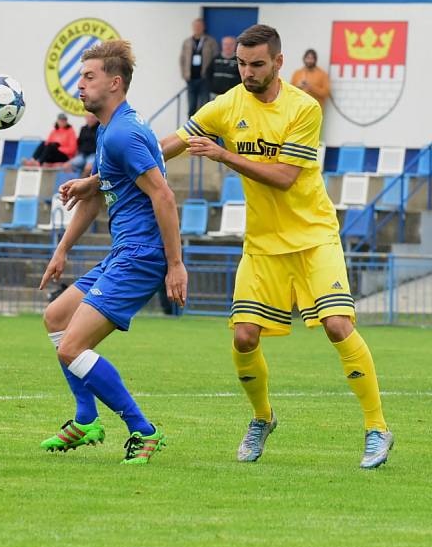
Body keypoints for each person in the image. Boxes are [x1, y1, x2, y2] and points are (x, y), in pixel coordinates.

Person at [164, 24, 393, 470]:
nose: (247, 73)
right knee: (244, 337)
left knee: (337, 326)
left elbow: (285, 179)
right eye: (242, 65)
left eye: (257, 64)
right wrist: (109, 172)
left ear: (278, 63)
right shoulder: (228, 104)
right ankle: (262, 418)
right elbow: (172, 143)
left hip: (313, 236)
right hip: (263, 245)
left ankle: (377, 427)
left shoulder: (304, 108)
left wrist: (224, 154)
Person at [39, 39, 187, 465]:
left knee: (71, 347)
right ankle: (87, 419)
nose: (80, 85)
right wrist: (62, 250)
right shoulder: (110, 129)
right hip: (124, 251)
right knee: (56, 317)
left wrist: (174, 265)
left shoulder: (121, 133)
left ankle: (144, 430)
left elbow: (163, 195)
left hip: (142, 256)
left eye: (89, 77)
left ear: (115, 83)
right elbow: (96, 194)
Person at [180, 18, 219, 117]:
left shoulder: (211, 41)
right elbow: (182, 59)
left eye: (199, 26)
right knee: (191, 107)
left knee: (203, 107)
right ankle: (190, 131)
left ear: (203, 27)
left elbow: (216, 59)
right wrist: (184, 75)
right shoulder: (187, 42)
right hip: (191, 79)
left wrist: (211, 76)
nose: (197, 28)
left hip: (205, 79)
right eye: (195, 26)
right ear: (192, 27)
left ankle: (202, 131)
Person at [65, 112, 99, 177]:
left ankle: (81, 185)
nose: (90, 119)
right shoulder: (83, 128)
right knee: (67, 165)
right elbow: (79, 142)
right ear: (86, 118)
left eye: (92, 117)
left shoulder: (100, 128)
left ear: (97, 118)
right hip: (82, 155)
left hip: (94, 154)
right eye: (88, 117)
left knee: (88, 168)